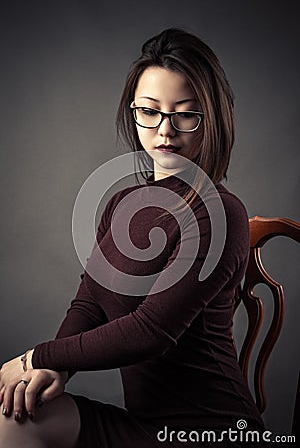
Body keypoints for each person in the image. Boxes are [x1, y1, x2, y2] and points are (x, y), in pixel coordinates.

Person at [0, 28, 268, 447]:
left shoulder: (220, 213)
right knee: (15, 415)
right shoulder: (123, 202)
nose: (165, 129)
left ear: (211, 118)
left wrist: (38, 356)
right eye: (149, 111)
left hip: (211, 431)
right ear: (134, 112)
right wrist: (55, 370)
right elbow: (90, 301)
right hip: (141, 427)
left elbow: (150, 331)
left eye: (185, 113)